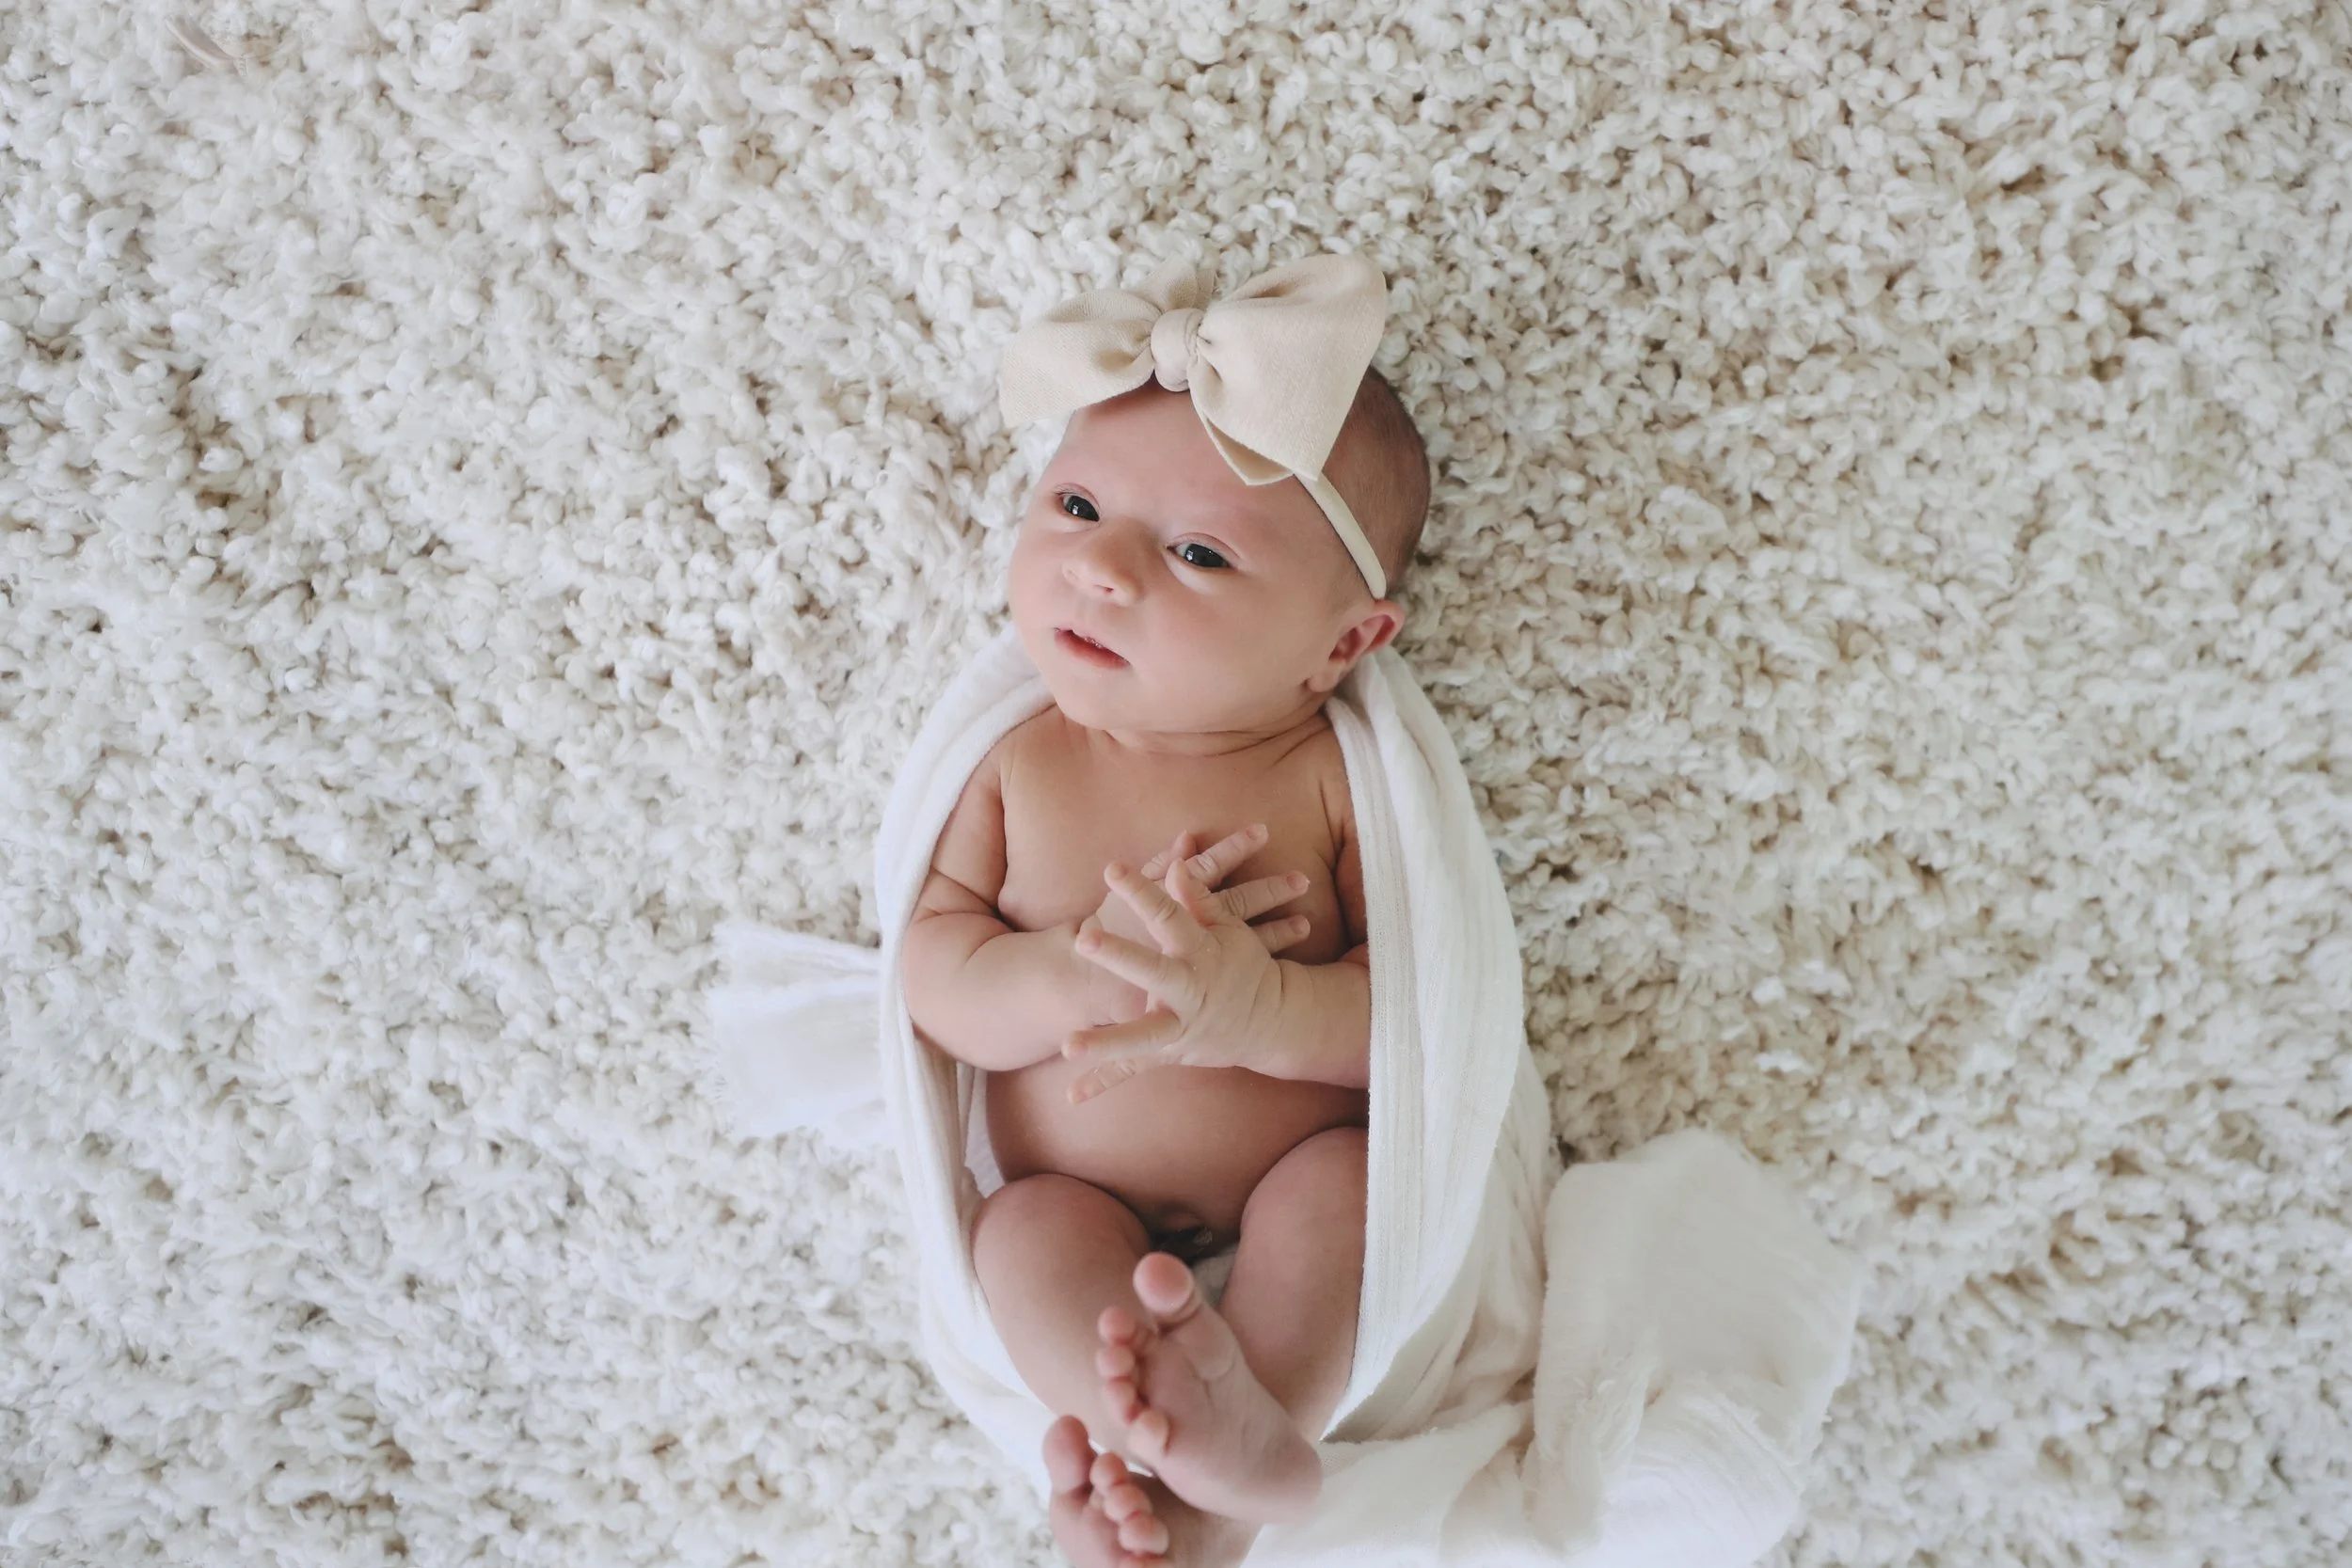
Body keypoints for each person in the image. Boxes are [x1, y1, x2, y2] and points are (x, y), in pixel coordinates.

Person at [900, 255, 1429, 1568]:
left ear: (1344, 645)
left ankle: (1254, 1433)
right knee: (1015, 1238)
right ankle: (1142, 1433)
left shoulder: (1329, 781)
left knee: (1351, 1191)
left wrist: (1267, 1006)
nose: (1104, 569)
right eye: (1076, 504)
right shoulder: (1021, 763)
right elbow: (932, 971)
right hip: (1069, 1187)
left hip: (1289, 1174)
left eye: (1198, 552)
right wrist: (1065, 980)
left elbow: (1426, 1022)